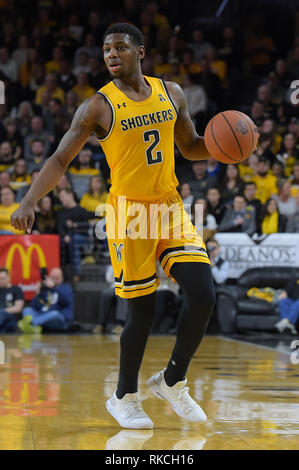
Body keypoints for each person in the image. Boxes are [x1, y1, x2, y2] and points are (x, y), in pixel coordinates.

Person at [11, 23, 217, 429]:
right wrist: (30, 199)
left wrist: (229, 148)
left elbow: (191, 146)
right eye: (106, 49)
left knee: (204, 292)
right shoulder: (97, 107)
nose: (111, 54)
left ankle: (173, 381)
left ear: (140, 51)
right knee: (142, 308)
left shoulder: (171, 92)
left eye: (120, 47)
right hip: (129, 214)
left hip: (170, 207)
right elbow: (58, 160)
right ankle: (124, 395)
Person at [18, 267, 74, 334]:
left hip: (60, 319)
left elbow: (66, 302)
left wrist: (53, 288)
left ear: (62, 278)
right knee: (27, 309)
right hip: (43, 317)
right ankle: (33, 326)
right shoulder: (44, 289)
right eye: (52, 278)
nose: (54, 280)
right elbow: (34, 306)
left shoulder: (66, 288)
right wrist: (37, 293)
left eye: (56, 278)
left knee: (54, 313)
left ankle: (31, 324)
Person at [0, 268, 24, 333]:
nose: (0, 281)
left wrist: (4, 310)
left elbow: (18, 308)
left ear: (8, 277)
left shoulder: (16, 290)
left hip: (11, 317)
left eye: (2, 279)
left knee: (2, 312)